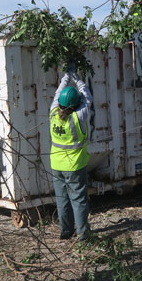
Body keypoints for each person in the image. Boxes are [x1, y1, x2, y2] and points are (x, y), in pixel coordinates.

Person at [49, 67, 93, 240]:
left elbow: (58, 93)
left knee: (62, 199)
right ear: (75, 106)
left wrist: (66, 76)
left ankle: (66, 231)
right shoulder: (78, 117)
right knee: (79, 200)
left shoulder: (53, 112)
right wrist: (76, 77)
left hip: (56, 165)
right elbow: (87, 97)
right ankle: (83, 234)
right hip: (74, 166)